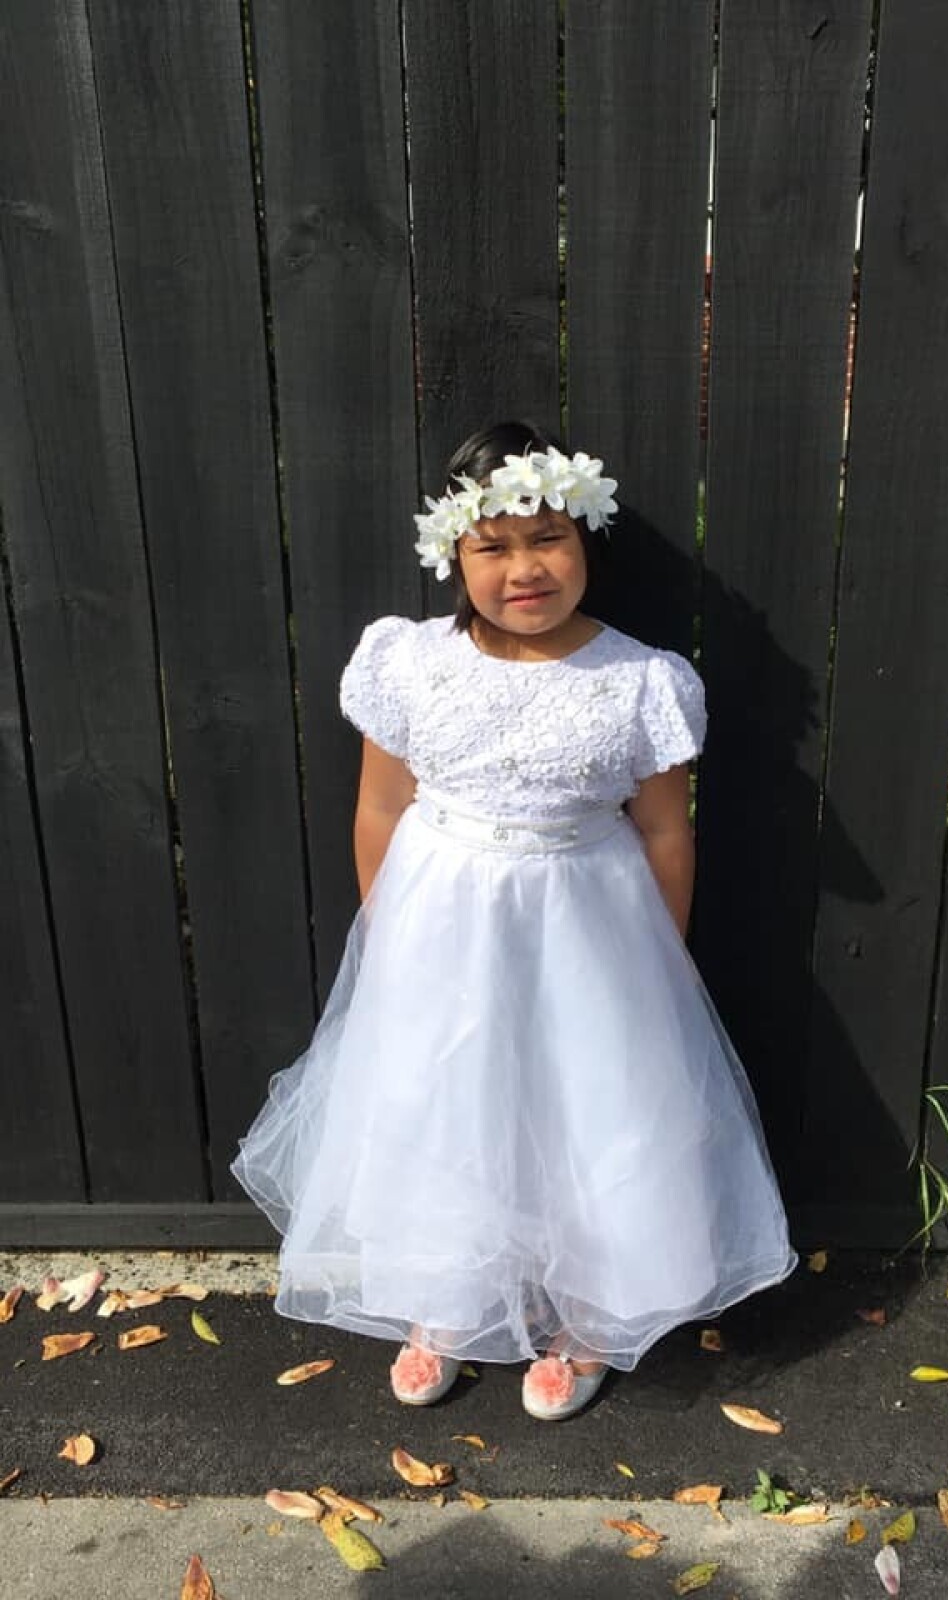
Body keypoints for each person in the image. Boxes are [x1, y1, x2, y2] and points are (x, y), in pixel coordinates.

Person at [233, 420, 795, 1421]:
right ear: (454, 556)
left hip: (589, 929)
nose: (523, 568)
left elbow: (665, 829)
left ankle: (593, 1312)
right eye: (492, 547)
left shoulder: (640, 680)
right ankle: (445, 1293)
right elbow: (380, 807)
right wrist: (387, 938)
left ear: (586, 542)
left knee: (589, 1107)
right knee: (446, 1103)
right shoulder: (410, 662)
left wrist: (659, 960)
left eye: (548, 540)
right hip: (442, 924)